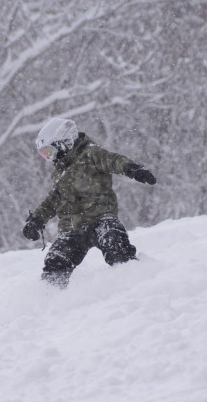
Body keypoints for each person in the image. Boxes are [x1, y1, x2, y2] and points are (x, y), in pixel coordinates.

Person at [23, 118, 156, 288]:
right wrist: (36, 220)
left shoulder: (91, 154)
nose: (49, 158)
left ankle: (133, 282)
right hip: (72, 229)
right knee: (55, 261)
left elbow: (113, 160)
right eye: (45, 155)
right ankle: (51, 296)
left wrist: (132, 168)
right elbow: (53, 199)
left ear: (64, 142)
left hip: (100, 219)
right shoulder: (60, 172)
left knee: (114, 243)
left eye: (49, 151)